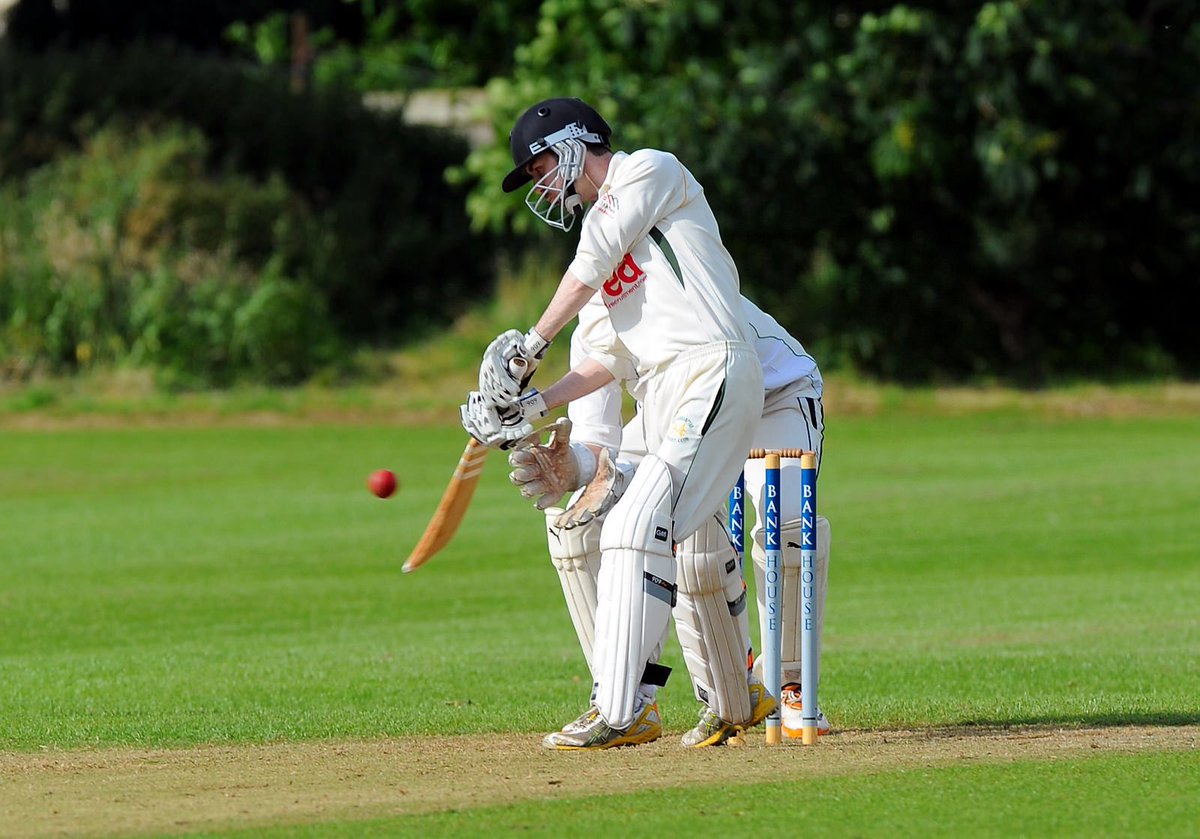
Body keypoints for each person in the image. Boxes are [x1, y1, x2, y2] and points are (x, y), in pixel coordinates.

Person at [460, 97, 764, 749]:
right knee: (634, 530)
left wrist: (529, 342)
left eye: (540, 166)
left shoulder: (650, 171)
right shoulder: (600, 255)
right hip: (664, 396)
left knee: (635, 522)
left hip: (711, 370)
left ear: (575, 143)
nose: (539, 184)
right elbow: (604, 357)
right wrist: (530, 405)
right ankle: (678, 703)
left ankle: (623, 708)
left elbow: (594, 258)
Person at [509, 293, 832, 746]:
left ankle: (789, 684)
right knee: (575, 527)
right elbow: (598, 455)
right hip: (679, 415)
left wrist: (539, 400)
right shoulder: (592, 324)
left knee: (788, 527)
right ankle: (626, 694)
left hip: (772, 393)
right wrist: (571, 468)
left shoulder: (676, 276)